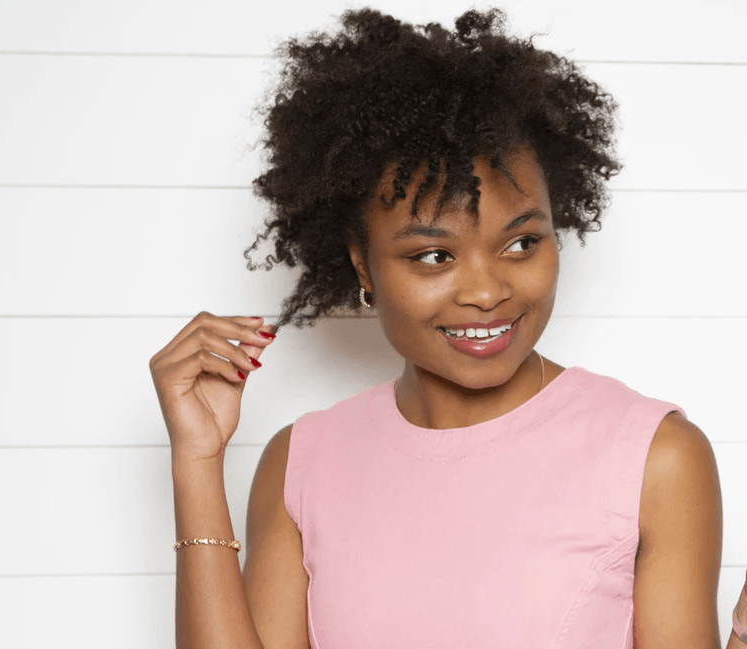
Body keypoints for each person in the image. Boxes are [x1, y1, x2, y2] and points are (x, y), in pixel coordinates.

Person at [149, 7, 747, 648]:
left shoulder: (655, 458)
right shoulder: (300, 464)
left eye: (521, 244)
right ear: (363, 266)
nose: (488, 291)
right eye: (433, 256)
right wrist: (198, 461)